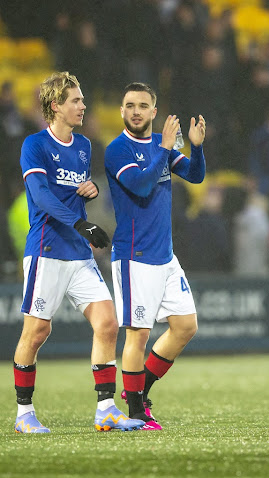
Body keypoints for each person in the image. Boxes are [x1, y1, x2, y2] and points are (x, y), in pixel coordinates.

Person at [13, 71, 144, 434]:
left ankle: (106, 409)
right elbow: (40, 196)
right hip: (46, 249)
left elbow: (70, 191)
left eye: (82, 100)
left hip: (78, 252)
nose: (83, 105)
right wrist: (82, 224)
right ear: (56, 106)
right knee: (37, 331)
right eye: (76, 100)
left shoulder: (84, 147)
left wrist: (86, 192)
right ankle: (24, 415)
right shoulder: (35, 145)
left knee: (107, 323)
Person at [104, 82, 206, 430]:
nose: (135, 111)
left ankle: (140, 391)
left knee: (185, 326)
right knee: (138, 336)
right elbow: (144, 185)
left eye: (142, 105)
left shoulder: (159, 146)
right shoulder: (117, 150)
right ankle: (135, 413)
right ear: (121, 111)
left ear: (153, 111)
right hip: (135, 256)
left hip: (165, 256)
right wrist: (164, 147)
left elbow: (195, 174)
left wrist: (196, 147)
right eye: (129, 104)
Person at [0, 81, 34, 205]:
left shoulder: (18, 114)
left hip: (19, 159)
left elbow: (28, 132)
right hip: (5, 161)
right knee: (7, 190)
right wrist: (3, 149)